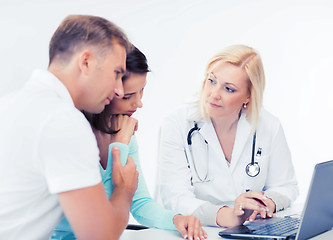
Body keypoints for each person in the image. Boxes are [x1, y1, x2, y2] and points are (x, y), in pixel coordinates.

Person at [0, 15, 139, 240]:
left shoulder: (8, 104)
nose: (119, 91)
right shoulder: (63, 121)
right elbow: (99, 236)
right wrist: (124, 190)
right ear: (86, 62)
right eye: (116, 73)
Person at [52, 46, 207, 240]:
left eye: (142, 91)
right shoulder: (72, 131)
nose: (139, 103)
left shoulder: (123, 129)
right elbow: (97, 215)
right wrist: (119, 147)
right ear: (106, 88)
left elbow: (139, 202)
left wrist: (176, 219)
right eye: (127, 96)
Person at [157, 44, 299, 227]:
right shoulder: (177, 123)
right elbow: (175, 197)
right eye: (212, 81)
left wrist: (264, 204)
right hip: (198, 230)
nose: (214, 94)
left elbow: (286, 186)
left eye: (229, 89)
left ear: (248, 96)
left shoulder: (268, 125)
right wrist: (230, 216)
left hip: (252, 228)